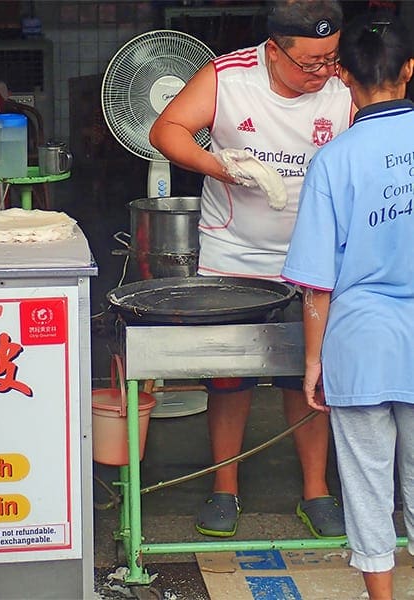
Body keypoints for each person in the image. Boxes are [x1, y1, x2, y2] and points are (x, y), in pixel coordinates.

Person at [149, 0, 354, 539]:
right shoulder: (228, 76)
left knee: (307, 376)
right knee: (230, 375)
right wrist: (223, 167)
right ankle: (224, 488)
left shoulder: (342, 83)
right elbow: (165, 131)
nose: (322, 72)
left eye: (329, 59)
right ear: (273, 49)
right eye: (308, 63)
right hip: (234, 252)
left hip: (315, 260)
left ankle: (316, 490)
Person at [281, 12, 414, 600]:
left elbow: (318, 283)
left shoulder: (334, 160)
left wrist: (314, 363)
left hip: (359, 345)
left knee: (364, 483)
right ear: (410, 70)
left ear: (345, 80)